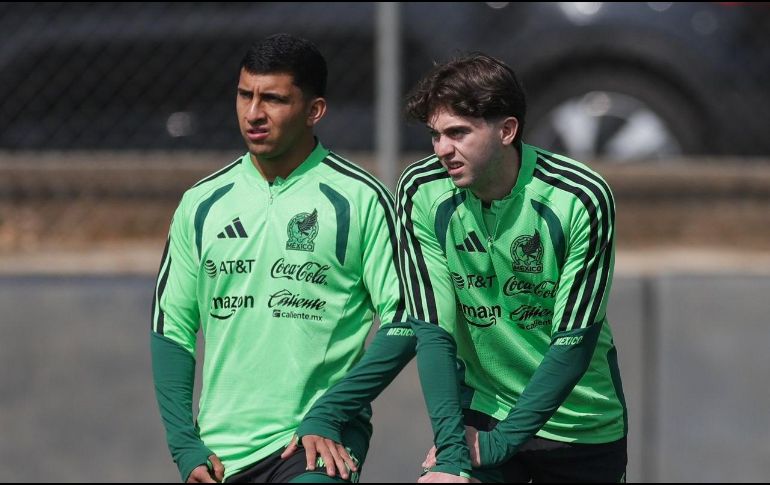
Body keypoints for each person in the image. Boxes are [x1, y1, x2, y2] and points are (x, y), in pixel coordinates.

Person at [292, 52, 628, 483]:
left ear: (507, 130)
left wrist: (504, 441)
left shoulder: (581, 196)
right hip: (484, 415)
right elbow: (433, 330)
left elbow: (573, 344)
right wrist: (452, 454)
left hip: (582, 427)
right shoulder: (420, 189)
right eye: (435, 135)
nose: (442, 150)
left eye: (458, 133)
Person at [150, 33, 414, 483]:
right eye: (244, 95)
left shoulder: (359, 199)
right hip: (220, 454)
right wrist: (184, 444)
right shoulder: (202, 203)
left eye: (273, 99)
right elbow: (171, 329)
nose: (253, 113)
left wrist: (331, 410)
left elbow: (406, 318)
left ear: (314, 111)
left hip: (317, 442)